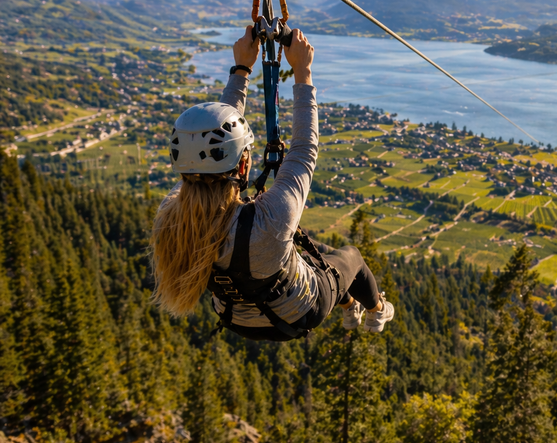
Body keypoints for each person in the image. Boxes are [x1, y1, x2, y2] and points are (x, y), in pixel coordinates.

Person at [149, 26, 393, 341]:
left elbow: (220, 143)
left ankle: (348, 305)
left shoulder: (171, 215)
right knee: (352, 258)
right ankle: (377, 311)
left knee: (313, 250)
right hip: (300, 312)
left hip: (234, 317)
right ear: (243, 164)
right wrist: (302, 71)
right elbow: (304, 149)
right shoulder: (269, 219)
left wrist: (241, 69)